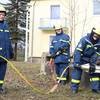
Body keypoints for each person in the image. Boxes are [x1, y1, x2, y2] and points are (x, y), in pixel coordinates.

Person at [71, 26, 100, 93]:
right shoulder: (84, 40)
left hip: (91, 60)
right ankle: (74, 89)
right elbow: (78, 51)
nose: (96, 36)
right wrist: (77, 62)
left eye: (98, 35)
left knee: (95, 72)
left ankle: (95, 89)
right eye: (95, 34)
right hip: (81, 59)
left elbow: (98, 53)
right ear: (92, 33)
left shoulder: (99, 42)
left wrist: (93, 63)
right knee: (77, 71)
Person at [0, 5, 14, 93]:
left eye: (3, 15)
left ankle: (0, 87)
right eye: (0, 14)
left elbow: (8, 40)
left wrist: (11, 52)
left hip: (4, 55)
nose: (1, 16)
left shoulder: (6, 26)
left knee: (2, 72)